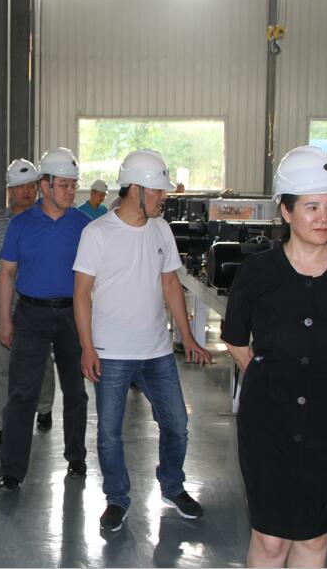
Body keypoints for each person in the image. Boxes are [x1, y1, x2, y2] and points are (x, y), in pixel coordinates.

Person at [221, 145, 327, 568]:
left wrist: (314, 372)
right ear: (286, 211)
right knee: (270, 540)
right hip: (267, 422)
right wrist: (274, 380)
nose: (324, 217)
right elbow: (236, 341)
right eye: (311, 207)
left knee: (315, 536)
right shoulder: (257, 272)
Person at [73, 149, 213, 533]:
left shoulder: (161, 229)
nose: (164, 197)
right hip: (111, 353)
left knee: (177, 424)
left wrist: (188, 338)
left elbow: (170, 284)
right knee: (109, 434)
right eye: (158, 191)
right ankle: (117, 498)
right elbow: (81, 294)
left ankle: (172, 486)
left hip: (157, 352)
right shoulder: (97, 233)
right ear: (136, 190)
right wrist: (87, 347)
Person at [0, 147, 91, 492]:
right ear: (45, 185)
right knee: (22, 393)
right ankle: (11, 470)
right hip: (30, 315)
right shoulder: (20, 225)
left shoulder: (84, 225)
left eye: (73, 185)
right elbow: (7, 274)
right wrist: (5, 320)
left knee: (75, 390)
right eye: (64, 185)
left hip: (72, 315)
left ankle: (76, 456)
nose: (70, 191)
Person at [0, 158, 56, 446]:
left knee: (41, 356)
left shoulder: (48, 220)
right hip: (2, 295)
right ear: (9, 190)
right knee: (2, 362)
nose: (26, 191)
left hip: (37, 296)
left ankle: (44, 405)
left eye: (31, 186)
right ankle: (5, 423)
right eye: (20, 186)